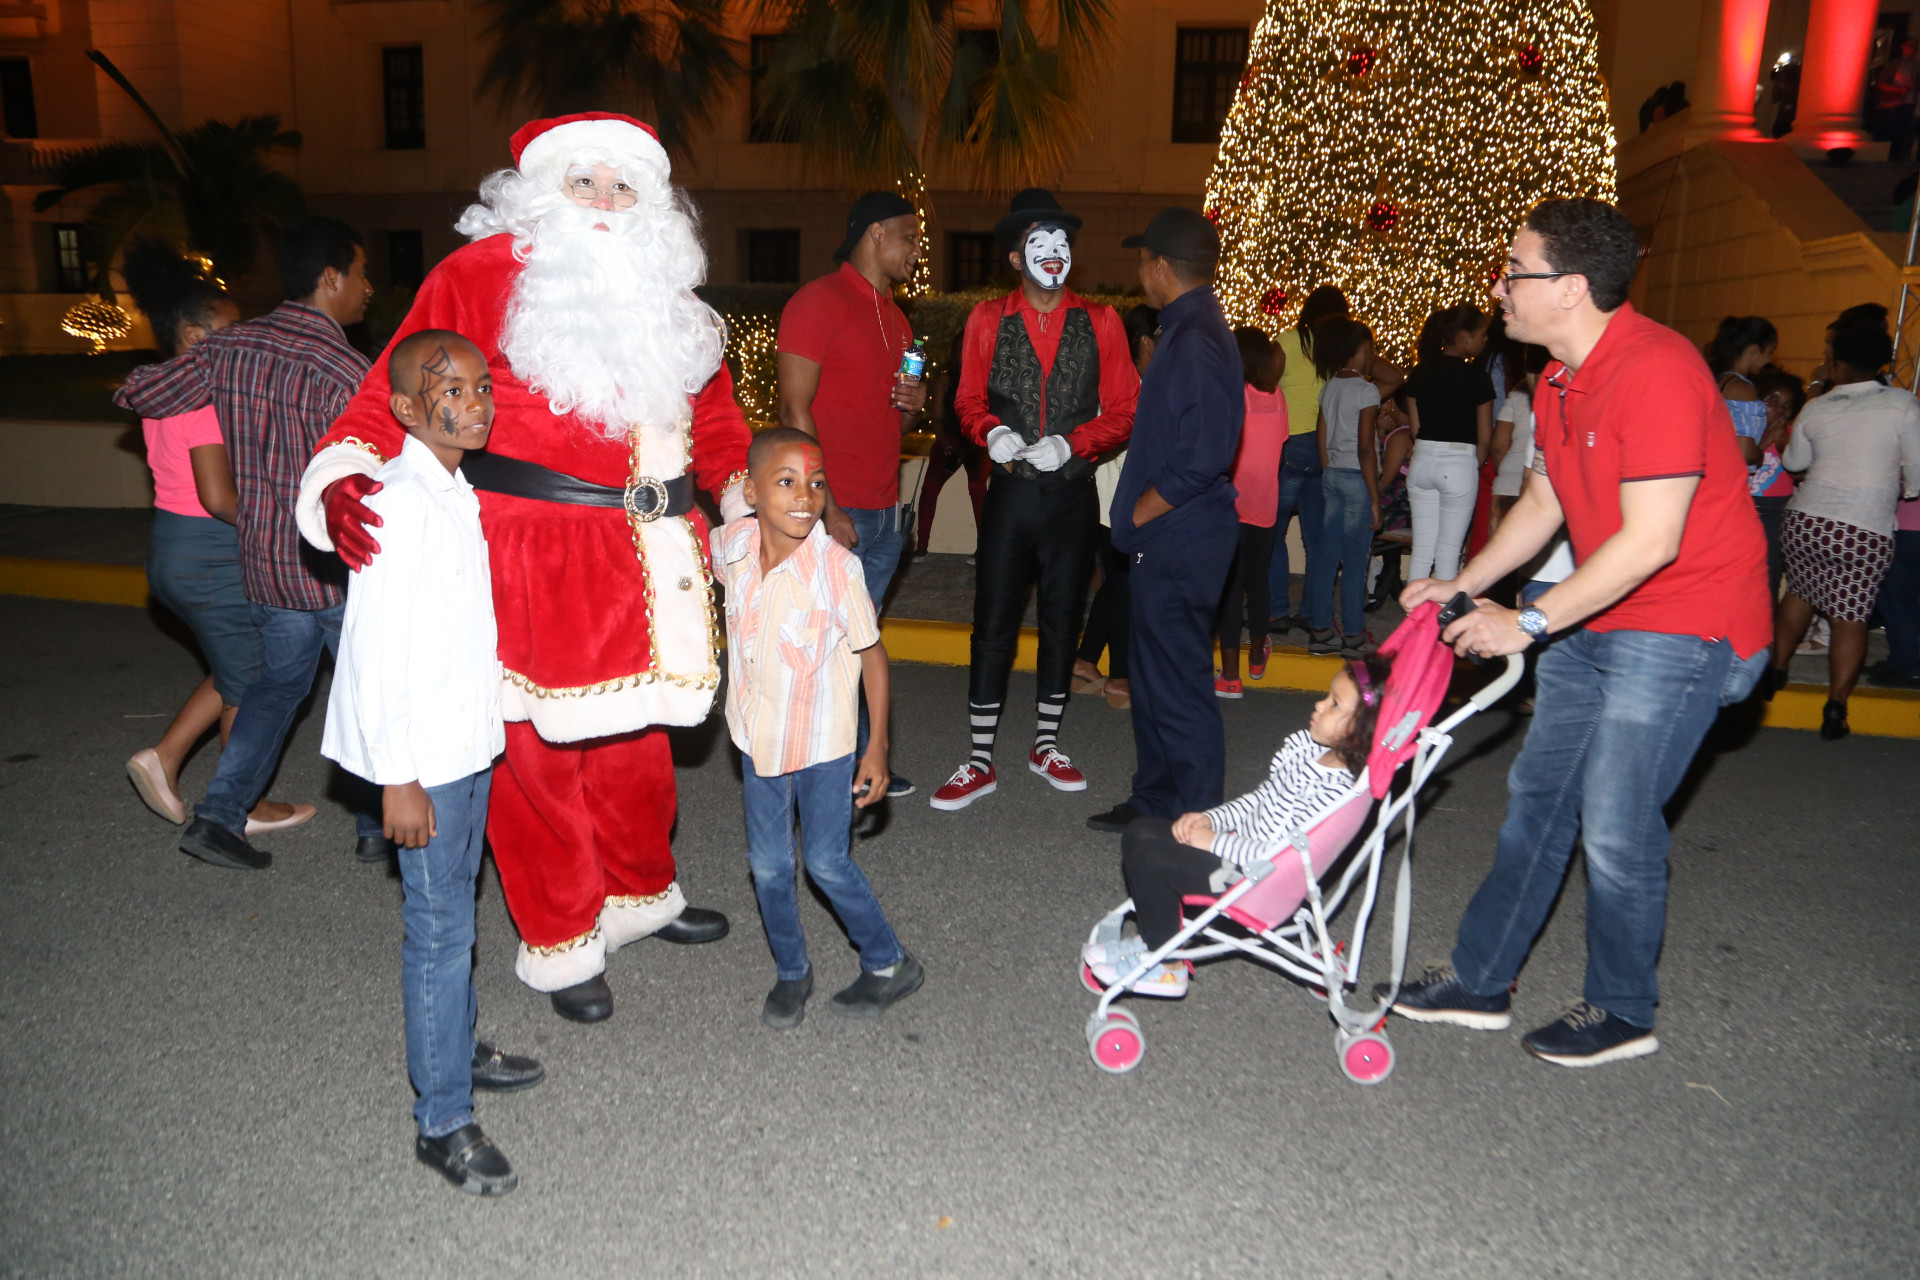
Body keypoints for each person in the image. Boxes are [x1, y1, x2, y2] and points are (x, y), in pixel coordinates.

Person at [299, 113, 750, 1024]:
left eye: (623, 187)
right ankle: (561, 935)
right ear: (542, 191)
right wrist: (345, 471)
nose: (604, 202)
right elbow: (397, 385)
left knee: (636, 743)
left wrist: (747, 503)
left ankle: (639, 892)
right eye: (584, 182)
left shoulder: (673, 297)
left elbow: (718, 422)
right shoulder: (479, 275)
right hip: (530, 553)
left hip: (651, 558)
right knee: (534, 756)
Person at [1385, 197, 1772, 1067]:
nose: (1499, 289)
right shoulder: (1557, 381)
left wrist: (1527, 621)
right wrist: (1463, 583)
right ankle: (1481, 981)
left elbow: (1652, 541)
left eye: (1513, 272)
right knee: (1539, 798)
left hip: (1688, 625)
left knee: (1617, 820)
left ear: (1570, 287)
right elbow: (1546, 501)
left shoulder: (1657, 369)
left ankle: (1624, 1009)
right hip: (1599, 610)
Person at [320, 330, 542, 1197]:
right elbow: (373, 653)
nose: (475, 403)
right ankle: (442, 1118)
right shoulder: (399, 502)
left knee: (456, 910)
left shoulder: (453, 487)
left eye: (482, 387)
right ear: (407, 409)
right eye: (451, 391)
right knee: (439, 930)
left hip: (464, 740)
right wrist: (397, 777)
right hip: (426, 758)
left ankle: (455, 1045)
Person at [115, 215, 382, 872]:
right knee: (367, 684)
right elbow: (382, 473)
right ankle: (377, 823)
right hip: (326, 562)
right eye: (362, 274)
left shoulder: (231, 347)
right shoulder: (344, 368)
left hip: (262, 563)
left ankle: (218, 817)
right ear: (331, 277)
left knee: (275, 687)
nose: (369, 288)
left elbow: (140, 391)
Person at [929, 189, 1137, 811]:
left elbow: (1126, 408)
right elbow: (967, 398)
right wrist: (989, 430)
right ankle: (979, 760)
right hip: (1012, 495)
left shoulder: (1102, 321)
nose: (1055, 253)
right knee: (992, 621)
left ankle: (1046, 744)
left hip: (1071, 494)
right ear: (1017, 258)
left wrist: (1074, 443)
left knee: (1062, 618)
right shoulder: (987, 318)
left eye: (1063, 242)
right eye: (1040, 243)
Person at [714, 428, 922, 1028]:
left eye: (817, 483)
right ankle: (791, 971)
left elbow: (873, 655)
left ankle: (888, 961)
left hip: (824, 742)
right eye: (786, 482)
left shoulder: (836, 569)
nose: (805, 496)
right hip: (758, 739)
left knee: (826, 862)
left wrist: (877, 749)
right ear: (752, 492)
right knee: (768, 866)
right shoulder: (733, 548)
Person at [118, 240, 311, 836]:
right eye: (233, 330)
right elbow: (218, 497)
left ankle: (165, 757)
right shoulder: (204, 398)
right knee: (252, 683)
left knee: (237, 666)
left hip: (172, 547)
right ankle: (243, 805)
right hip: (209, 555)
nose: (244, 339)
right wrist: (277, 523)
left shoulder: (166, 391)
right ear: (196, 336)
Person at [1083, 656, 1387, 995]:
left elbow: (1278, 855)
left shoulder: (1334, 791)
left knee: (1152, 858)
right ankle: (1157, 936)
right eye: (1327, 696)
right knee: (1142, 832)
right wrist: (1212, 818)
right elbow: (1260, 799)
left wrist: (1211, 841)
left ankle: (1167, 965)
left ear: (1361, 731)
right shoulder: (1309, 752)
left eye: (1334, 704)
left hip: (1255, 880)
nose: (1319, 704)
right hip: (1239, 854)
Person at [1086, 208, 1243, 833]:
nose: (1138, 272)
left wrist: (1141, 511)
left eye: (1140, 260)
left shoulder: (1197, 337)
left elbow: (1203, 456)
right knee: (1153, 678)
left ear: (1159, 266)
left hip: (1181, 532)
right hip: (1174, 533)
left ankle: (1199, 821)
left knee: (1177, 683)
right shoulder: (1187, 328)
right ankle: (1155, 800)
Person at [778, 191, 929, 800]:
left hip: (884, 510)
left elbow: (897, 418)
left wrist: (915, 406)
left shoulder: (897, 319)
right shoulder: (818, 301)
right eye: (909, 237)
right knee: (818, 644)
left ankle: (856, 761)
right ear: (875, 233)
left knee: (854, 642)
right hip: (835, 509)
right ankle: (802, 771)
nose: (916, 251)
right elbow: (794, 409)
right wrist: (827, 505)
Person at [1761, 323, 1920, 737]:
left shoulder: (1818, 406)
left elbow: (1795, 464)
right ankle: (1835, 708)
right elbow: (1918, 471)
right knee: (1850, 616)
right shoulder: (1902, 404)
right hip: (1863, 529)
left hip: (1807, 520)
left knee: (1800, 593)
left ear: (1840, 363)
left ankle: (1776, 670)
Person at [1073, 304, 1159, 711]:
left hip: (1111, 498)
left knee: (1119, 582)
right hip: (1116, 500)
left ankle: (1085, 662)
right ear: (1146, 343)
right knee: (1126, 584)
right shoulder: (1130, 384)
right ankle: (1120, 677)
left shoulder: (1125, 377)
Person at [1214, 325, 1288, 697]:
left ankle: (1230, 677)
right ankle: (1257, 656)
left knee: (1230, 588)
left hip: (1230, 503)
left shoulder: (1234, 395)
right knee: (1258, 583)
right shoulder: (1279, 398)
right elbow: (1280, 443)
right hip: (1265, 504)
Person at [1306, 318, 1382, 658]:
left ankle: (1321, 630)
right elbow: (1366, 448)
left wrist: (1328, 473)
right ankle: (1353, 634)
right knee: (1354, 562)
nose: (1373, 356)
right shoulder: (1367, 391)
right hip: (1357, 478)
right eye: (1371, 349)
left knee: (1326, 557)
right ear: (1361, 349)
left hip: (1333, 474)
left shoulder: (1330, 387)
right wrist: (1375, 500)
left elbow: (1322, 437)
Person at [1402, 303, 1493, 583]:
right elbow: (1485, 437)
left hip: (1422, 460)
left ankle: (1412, 609)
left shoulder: (1419, 372)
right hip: (1459, 462)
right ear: (1464, 337)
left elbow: (1415, 429)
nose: (1485, 339)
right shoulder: (1478, 377)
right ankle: (1442, 612)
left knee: (1422, 551)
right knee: (1449, 553)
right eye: (1482, 334)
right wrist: (1471, 466)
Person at [913, 330, 988, 556]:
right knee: (930, 486)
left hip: (976, 442)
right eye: (960, 349)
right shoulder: (945, 381)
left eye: (969, 349)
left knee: (978, 487)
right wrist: (943, 441)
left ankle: (985, 548)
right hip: (950, 440)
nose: (965, 354)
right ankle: (921, 545)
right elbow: (937, 418)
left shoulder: (985, 380)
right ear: (954, 353)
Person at [1751, 370, 1805, 602]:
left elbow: (1802, 473)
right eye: (1773, 401)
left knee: (1769, 577)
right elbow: (1734, 465)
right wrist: (1764, 442)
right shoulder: (1745, 433)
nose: (1780, 410)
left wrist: (1784, 446)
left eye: (1787, 406)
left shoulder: (1793, 436)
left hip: (1776, 516)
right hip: (1745, 510)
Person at [1488, 345, 1548, 539]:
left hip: (1510, 479)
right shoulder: (1567, 394)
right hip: (1544, 486)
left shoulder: (1518, 394)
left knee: (1499, 548)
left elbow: (1499, 446)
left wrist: (1507, 471)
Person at [1704, 315, 1778, 469]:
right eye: (1770, 352)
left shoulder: (1716, 379)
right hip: (1728, 474)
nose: (1769, 361)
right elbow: (1745, 453)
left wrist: (1763, 444)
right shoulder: (1742, 389)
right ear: (1754, 351)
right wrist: (1760, 456)